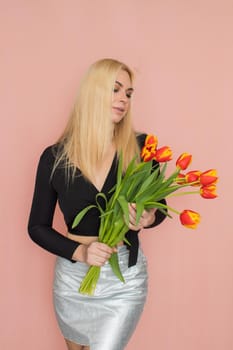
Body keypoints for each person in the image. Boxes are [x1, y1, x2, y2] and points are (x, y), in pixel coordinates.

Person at [28, 58, 166, 350]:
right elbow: (37, 227)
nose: (123, 99)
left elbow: (161, 206)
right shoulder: (54, 158)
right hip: (72, 279)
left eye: (128, 93)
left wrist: (148, 217)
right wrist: (80, 252)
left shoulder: (142, 147)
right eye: (115, 90)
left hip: (124, 279)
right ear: (93, 92)